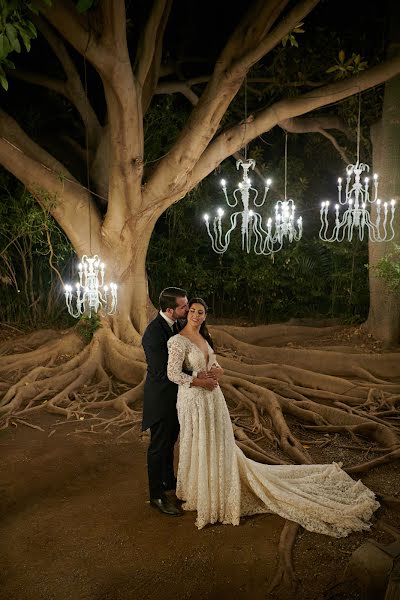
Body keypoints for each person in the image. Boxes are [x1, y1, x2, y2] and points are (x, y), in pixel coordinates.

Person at [167, 297, 380, 534]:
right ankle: (201, 491)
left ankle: (217, 485)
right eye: (193, 311)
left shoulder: (205, 337)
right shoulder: (178, 341)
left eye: (201, 312)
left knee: (218, 442)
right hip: (193, 400)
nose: (197, 315)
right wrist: (198, 381)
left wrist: (218, 370)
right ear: (187, 314)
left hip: (214, 398)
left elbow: (213, 363)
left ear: (205, 315)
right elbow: (172, 373)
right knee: (199, 442)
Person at [142, 287, 217, 517]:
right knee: (158, 447)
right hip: (161, 399)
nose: (187, 309)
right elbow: (163, 372)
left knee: (170, 443)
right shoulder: (154, 333)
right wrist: (197, 376)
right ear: (169, 309)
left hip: (179, 397)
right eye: (184, 306)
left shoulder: (175, 325)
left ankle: (168, 483)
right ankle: (156, 496)